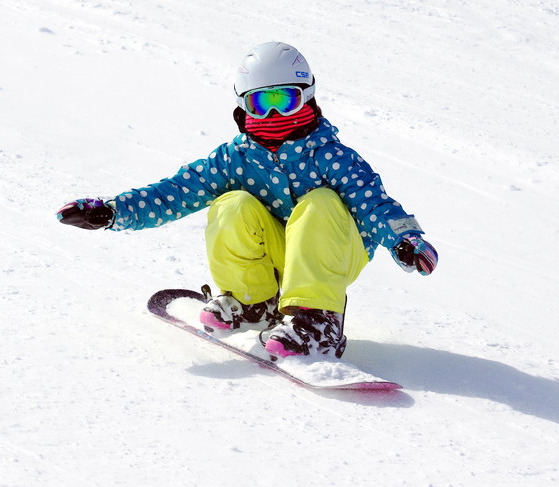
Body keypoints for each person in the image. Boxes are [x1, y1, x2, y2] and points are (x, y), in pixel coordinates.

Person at [57, 42, 438, 359]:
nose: (273, 114)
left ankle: (317, 320)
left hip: (336, 254)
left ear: (308, 97)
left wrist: (407, 240)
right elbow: (174, 191)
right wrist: (114, 210)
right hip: (280, 253)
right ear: (242, 105)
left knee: (320, 202)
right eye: (261, 104)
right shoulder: (234, 159)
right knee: (230, 203)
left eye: (285, 100)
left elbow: (374, 204)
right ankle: (252, 301)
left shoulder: (333, 157)